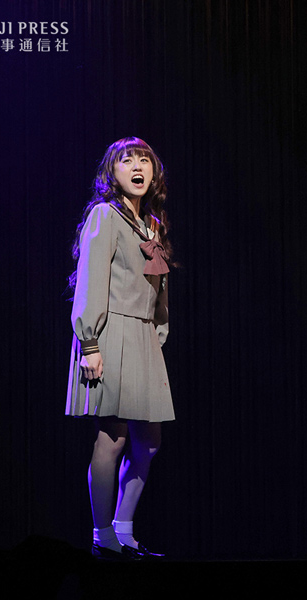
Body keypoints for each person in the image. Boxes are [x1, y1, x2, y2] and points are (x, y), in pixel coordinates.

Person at [66, 137, 175, 560]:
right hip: (109, 334)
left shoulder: (152, 225)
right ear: (111, 173)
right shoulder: (104, 215)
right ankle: (102, 536)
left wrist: (158, 333)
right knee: (112, 439)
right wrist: (89, 343)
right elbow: (91, 280)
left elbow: (159, 291)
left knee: (149, 442)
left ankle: (124, 529)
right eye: (127, 160)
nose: (137, 166)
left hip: (144, 337)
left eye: (144, 159)